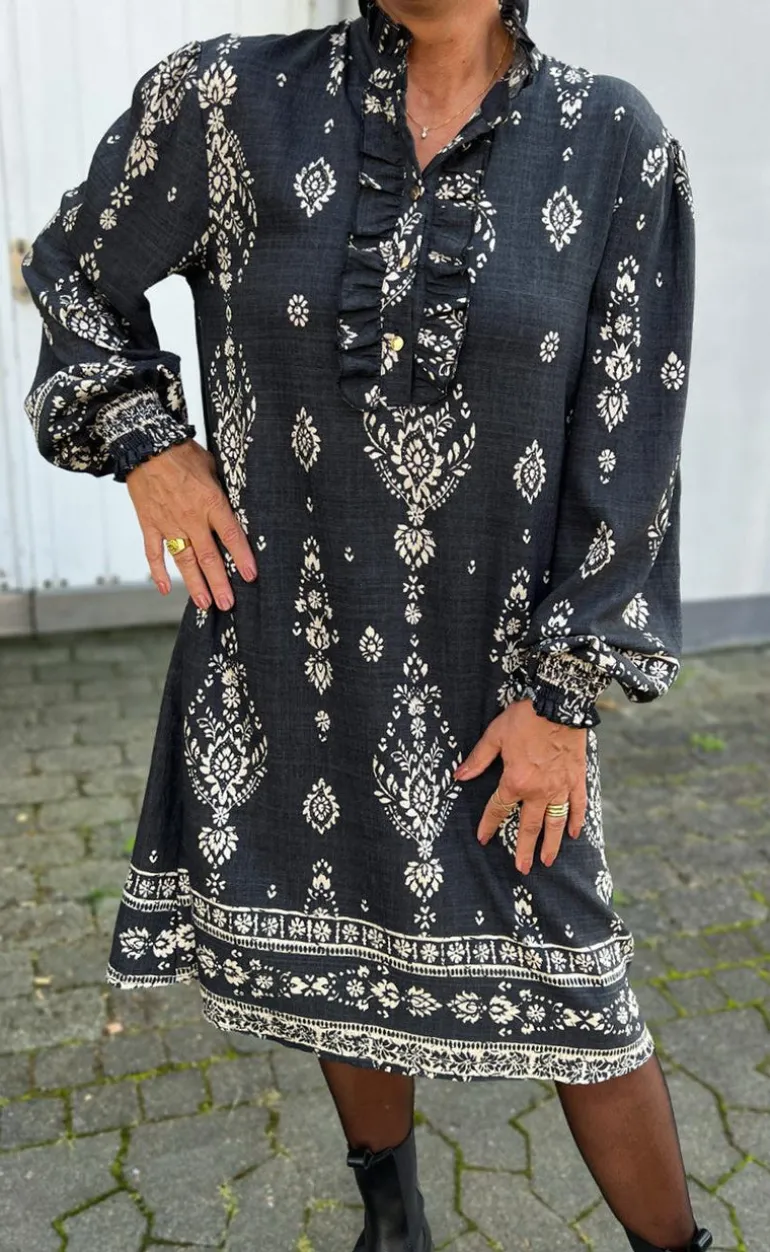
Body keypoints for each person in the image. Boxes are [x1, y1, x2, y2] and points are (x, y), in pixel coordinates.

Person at [21, 2, 711, 1249]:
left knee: (579, 991)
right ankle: (391, 1227)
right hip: (293, 650)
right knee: (342, 954)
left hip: (501, 681)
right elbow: (75, 270)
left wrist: (564, 697)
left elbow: (632, 446)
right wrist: (149, 444)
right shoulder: (229, 104)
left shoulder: (611, 140)